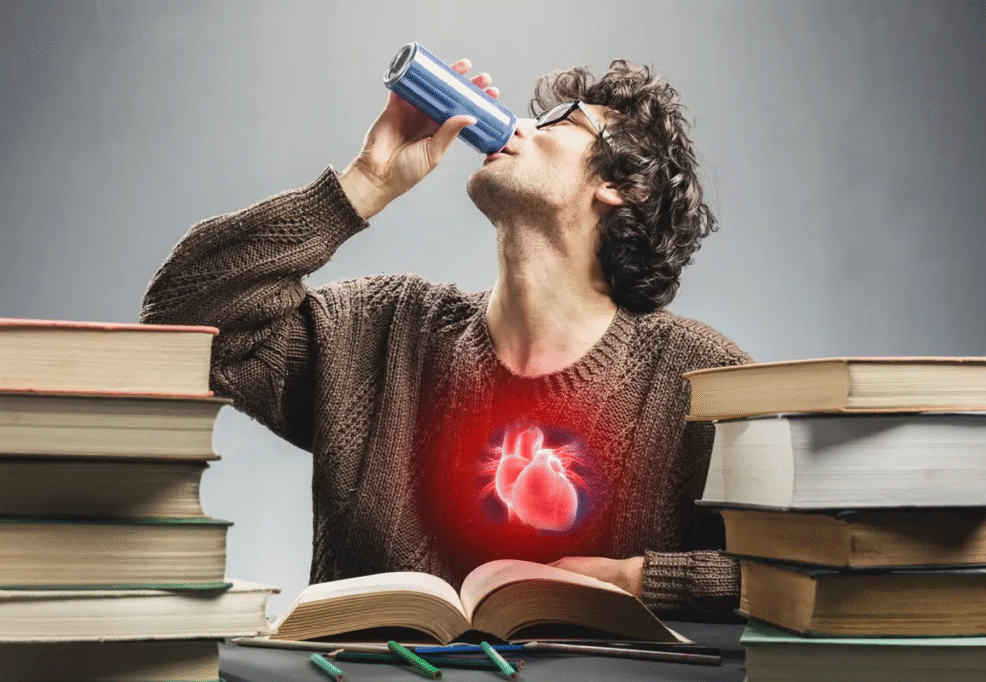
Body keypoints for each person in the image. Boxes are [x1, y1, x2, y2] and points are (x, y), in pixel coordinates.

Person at [140, 56, 752, 621]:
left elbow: (820, 575)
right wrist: (363, 184)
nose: (515, 126)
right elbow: (182, 315)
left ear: (623, 186)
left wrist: (636, 581)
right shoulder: (383, 329)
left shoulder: (701, 380)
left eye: (559, 121)